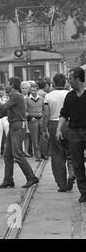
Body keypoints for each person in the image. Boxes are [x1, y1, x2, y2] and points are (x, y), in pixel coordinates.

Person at [0, 77, 39, 188]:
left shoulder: (16, 96)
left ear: (12, 85)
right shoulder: (14, 96)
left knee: (17, 154)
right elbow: (1, 114)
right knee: (7, 155)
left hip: (17, 126)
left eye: (7, 84)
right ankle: (8, 180)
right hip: (14, 126)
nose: (5, 86)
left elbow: (2, 107)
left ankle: (31, 177)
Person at [57, 67, 86, 203]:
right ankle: (84, 192)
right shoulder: (70, 96)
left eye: (71, 79)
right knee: (77, 163)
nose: (69, 81)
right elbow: (64, 114)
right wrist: (58, 129)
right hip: (74, 132)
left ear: (78, 79)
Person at [44, 73, 75, 192]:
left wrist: (44, 129)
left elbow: (46, 114)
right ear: (65, 83)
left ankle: (62, 184)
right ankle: (72, 173)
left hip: (53, 124)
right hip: (68, 124)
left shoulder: (48, 96)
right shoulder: (70, 94)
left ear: (53, 83)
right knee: (71, 151)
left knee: (57, 155)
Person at [26, 83, 46, 161]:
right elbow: (24, 110)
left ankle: (43, 154)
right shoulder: (27, 99)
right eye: (31, 90)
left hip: (41, 119)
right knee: (34, 138)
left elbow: (44, 109)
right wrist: (30, 117)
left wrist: (44, 117)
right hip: (32, 120)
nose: (33, 92)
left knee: (43, 137)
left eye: (34, 90)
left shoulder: (41, 99)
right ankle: (37, 156)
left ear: (37, 90)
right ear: (30, 91)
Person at [21, 81, 32, 157]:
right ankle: (21, 151)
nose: (24, 90)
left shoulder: (31, 97)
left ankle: (26, 151)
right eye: (22, 88)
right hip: (22, 118)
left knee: (28, 135)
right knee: (22, 135)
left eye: (25, 88)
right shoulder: (19, 97)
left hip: (30, 118)